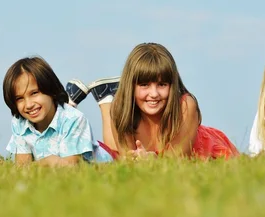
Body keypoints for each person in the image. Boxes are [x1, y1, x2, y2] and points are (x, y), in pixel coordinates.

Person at [73, 42, 239, 159]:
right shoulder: (120, 109)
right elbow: (126, 160)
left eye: (162, 85)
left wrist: (152, 161)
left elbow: (177, 162)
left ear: (172, 85)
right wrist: (136, 160)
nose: (154, 94)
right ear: (131, 86)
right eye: (144, 85)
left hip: (202, 151)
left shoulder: (186, 106)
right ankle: (104, 99)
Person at [2, 56, 113, 166]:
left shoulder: (74, 119)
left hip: (105, 161)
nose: (29, 105)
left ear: (51, 90)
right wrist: (48, 161)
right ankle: (71, 99)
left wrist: (43, 164)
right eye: (19, 98)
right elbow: (22, 168)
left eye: (34, 93)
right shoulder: (19, 123)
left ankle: (106, 96)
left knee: (119, 153)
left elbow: (70, 166)